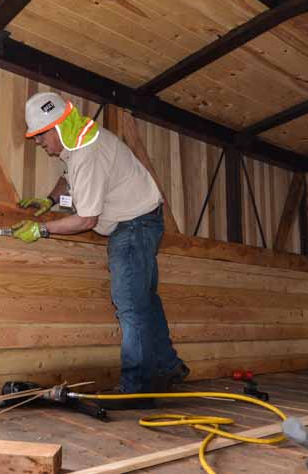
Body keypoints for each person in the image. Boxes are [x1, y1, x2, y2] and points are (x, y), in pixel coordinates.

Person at [12, 92, 189, 406]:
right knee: (145, 302)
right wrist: (49, 200)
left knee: (130, 308)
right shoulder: (81, 140)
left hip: (133, 227)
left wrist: (41, 229)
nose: (40, 145)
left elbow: (87, 219)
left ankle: (136, 388)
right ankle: (168, 367)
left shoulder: (87, 154)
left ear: (57, 128)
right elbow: (69, 177)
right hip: (143, 223)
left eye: (41, 137)